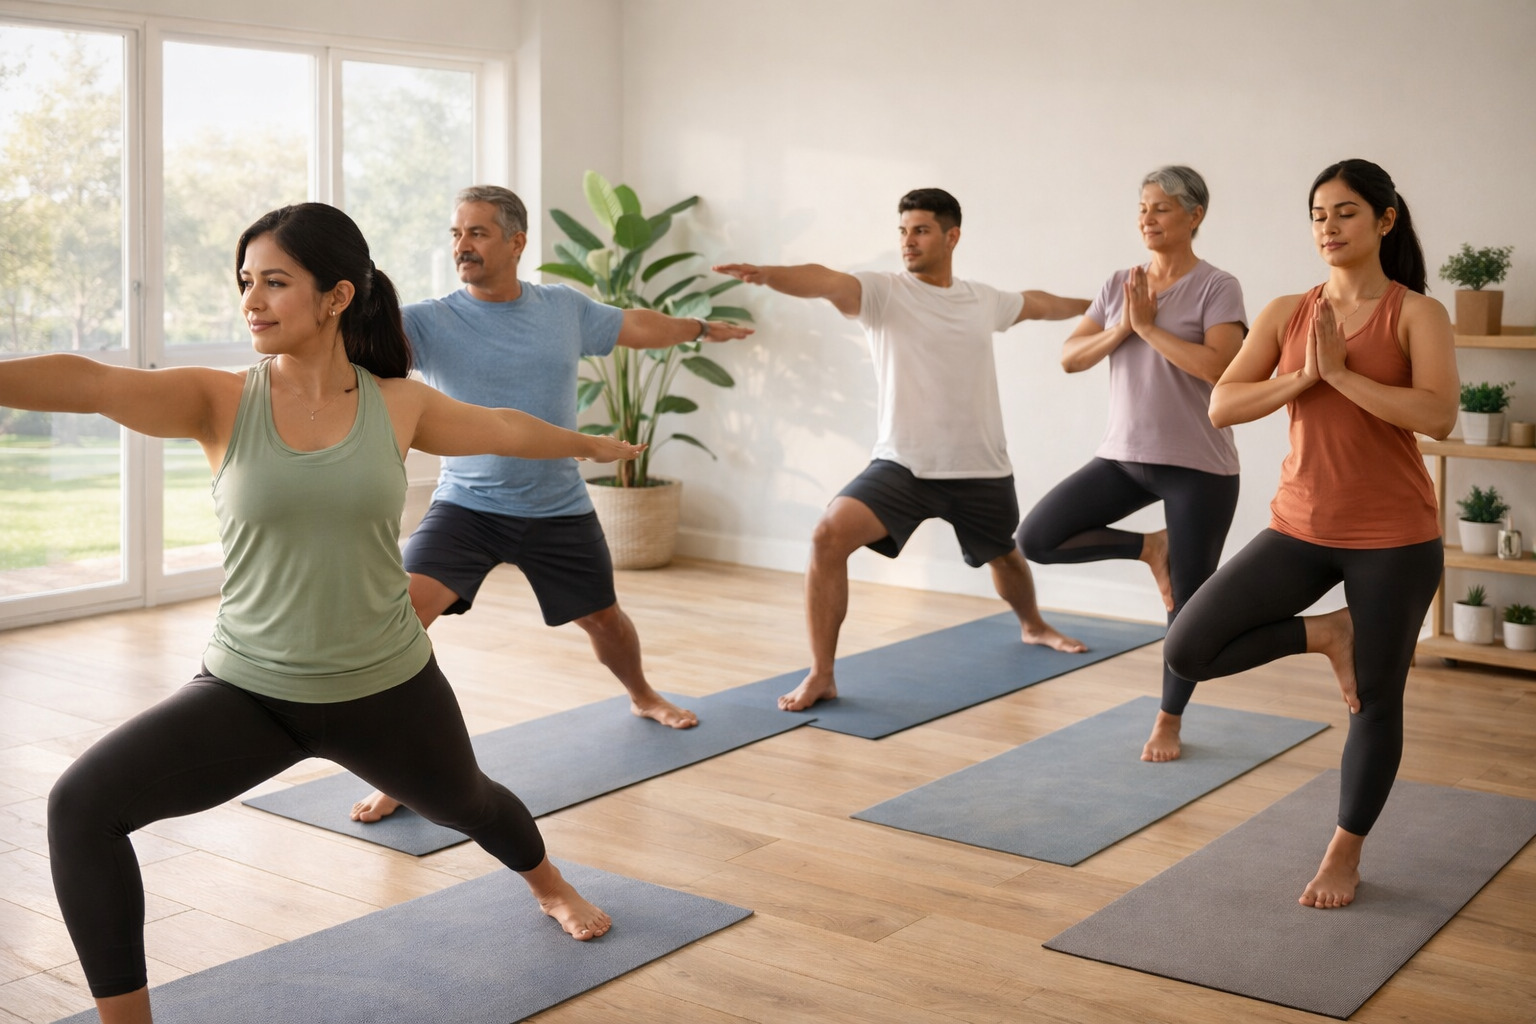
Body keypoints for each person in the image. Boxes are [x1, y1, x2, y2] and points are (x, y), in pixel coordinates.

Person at [14, 203, 639, 1024]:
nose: (252, 300)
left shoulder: (398, 405)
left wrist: (587, 446)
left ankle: (548, 885)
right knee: (79, 806)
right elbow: (89, 381)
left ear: (338, 295)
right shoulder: (217, 401)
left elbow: (501, 428)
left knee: (473, 805)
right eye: (245, 282)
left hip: (385, 687)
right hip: (248, 692)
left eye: (275, 281)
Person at [348, 185, 753, 824]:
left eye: (478, 233)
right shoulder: (429, 320)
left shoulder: (562, 308)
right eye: (456, 234)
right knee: (401, 619)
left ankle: (642, 693)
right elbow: (359, 351)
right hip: (468, 505)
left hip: (557, 506)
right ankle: (401, 768)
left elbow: (637, 325)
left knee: (604, 621)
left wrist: (700, 327)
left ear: (516, 241)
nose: (463, 246)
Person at [1161, 159, 1458, 909]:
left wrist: (1343, 374)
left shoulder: (1418, 314)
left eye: (1346, 212)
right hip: (1300, 524)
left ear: (1386, 220)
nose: (1328, 227)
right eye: (1319, 215)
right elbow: (1223, 405)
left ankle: (1344, 852)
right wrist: (1304, 378)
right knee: (1188, 647)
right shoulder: (1286, 310)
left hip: (1394, 535)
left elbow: (1438, 416)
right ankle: (1327, 634)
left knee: (1376, 702)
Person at [715, 188, 1092, 713]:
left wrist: (1104, 306)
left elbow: (1041, 304)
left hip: (980, 465)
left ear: (951, 236)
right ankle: (822, 673)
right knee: (828, 535)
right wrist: (769, 273)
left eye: (920, 230)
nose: (907, 241)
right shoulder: (883, 293)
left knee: (1004, 554)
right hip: (904, 466)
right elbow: (825, 279)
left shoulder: (982, 299)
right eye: (902, 231)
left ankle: (1033, 626)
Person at [1014, 166, 1247, 762]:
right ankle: (1149, 548)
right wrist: (1124, 324)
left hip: (1199, 467)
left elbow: (1221, 368)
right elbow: (1070, 358)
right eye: (1143, 208)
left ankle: (1168, 720)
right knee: (1037, 537)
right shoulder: (1122, 282)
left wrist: (1148, 328)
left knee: (1187, 613)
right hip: (1124, 457)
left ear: (1194, 216)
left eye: (1162, 209)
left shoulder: (1218, 287)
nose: (1147, 219)